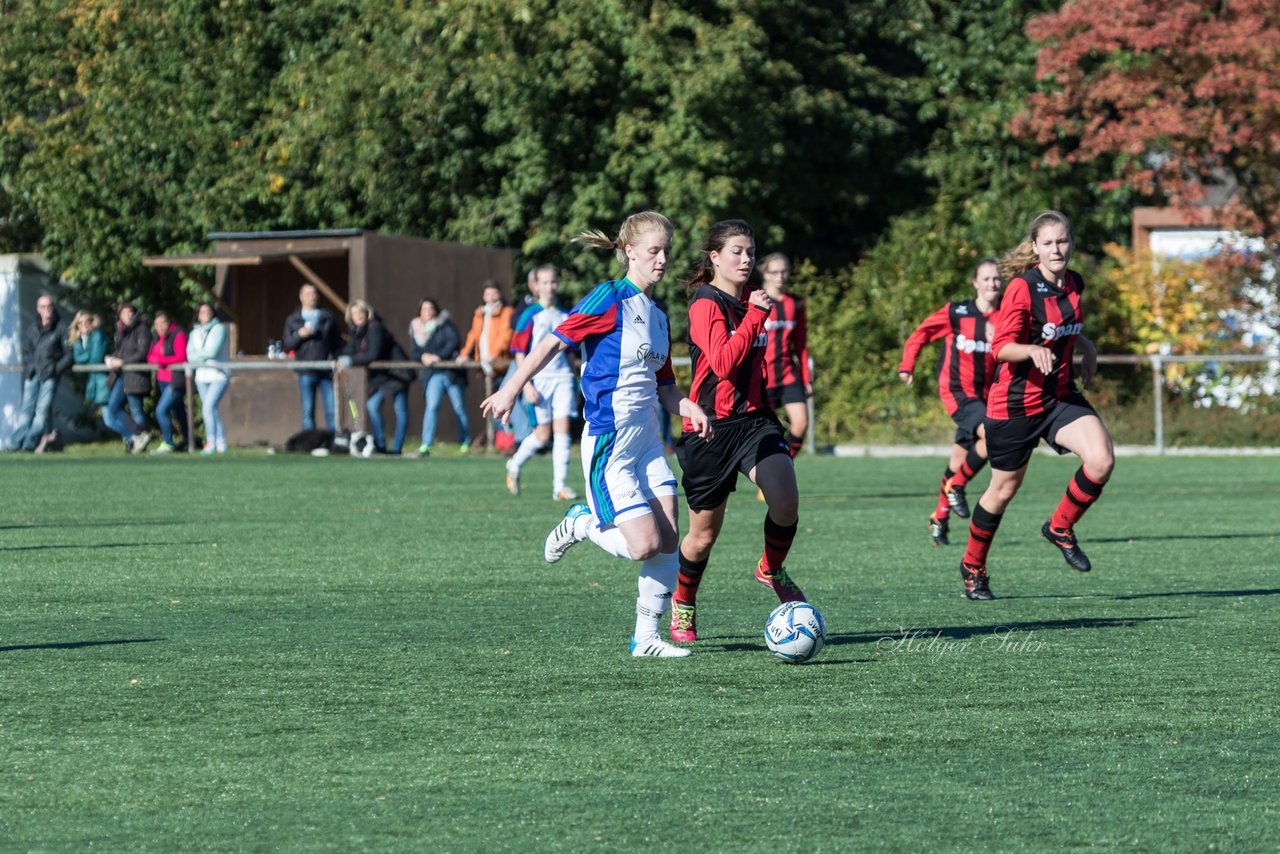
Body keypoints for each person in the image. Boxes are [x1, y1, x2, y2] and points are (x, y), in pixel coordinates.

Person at [480, 211, 712, 659]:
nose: (662, 259)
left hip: (647, 439)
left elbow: (664, 387)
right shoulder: (608, 297)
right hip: (611, 439)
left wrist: (687, 406)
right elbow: (553, 342)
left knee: (668, 541)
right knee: (643, 544)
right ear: (629, 252)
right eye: (653, 251)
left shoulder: (659, 316)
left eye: (667, 250)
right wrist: (510, 388)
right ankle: (582, 523)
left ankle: (645, 639)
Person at [958, 211, 1116, 600]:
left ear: (1071, 243)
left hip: (1058, 396)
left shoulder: (1076, 283)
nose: (1056, 249)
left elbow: (1064, 328)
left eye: (1062, 241)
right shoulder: (1022, 288)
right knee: (1002, 490)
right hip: (1014, 404)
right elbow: (1001, 348)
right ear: (1035, 248)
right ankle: (973, 568)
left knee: (1101, 460)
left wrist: (1085, 345)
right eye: (1048, 243)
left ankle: (1060, 526)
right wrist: (1030, 350)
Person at [668, 220, 808, 645]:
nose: (747, 260)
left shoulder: (753, 299)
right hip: (709, 429)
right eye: (737, 252)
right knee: (702, 536)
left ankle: (770, 568)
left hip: (755, 421)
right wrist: (755, 317)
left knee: (785, 502)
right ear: (715, 258)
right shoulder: (704, 304)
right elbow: (725, 363)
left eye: (751, 252)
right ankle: (684, 600)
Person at [898, 258, 1004, 547]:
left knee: (959, 460)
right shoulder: (957, 312)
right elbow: (922, 333)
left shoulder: (1007, 314)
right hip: (958, 391)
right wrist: (908, 364)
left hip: (988, 397)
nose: (992, 283)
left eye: (997, 278)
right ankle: (957, 487)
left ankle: (939, 517)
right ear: (975, 282)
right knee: (992, 434)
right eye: (986, 278)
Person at [504, 263, 580, 500]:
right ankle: (514, 464)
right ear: (536, 285)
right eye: (544, 282)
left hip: (563, 378)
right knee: (543, 435)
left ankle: (560, 487)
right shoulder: (529, 315)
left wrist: (575, 378)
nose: (549, 286)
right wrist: (526, 384)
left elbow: (568, 352)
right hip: (539, 380)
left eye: (553, 281)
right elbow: (518, 351)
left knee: (562, 430)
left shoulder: (565, 314)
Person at [340, 299, 411, 455]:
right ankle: (380, 446)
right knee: (373, 406)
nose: (358, 316)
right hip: (383, 377)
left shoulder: (375, 328)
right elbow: (348, 351)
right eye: (354, 313)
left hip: (398, 373)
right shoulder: (356, 331)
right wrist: (339, 359)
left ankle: (395, 448)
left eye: (361, 312)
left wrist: (350, 361)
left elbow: (373, 354)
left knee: (396, 409)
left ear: (367, 313)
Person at [760, 253, 812, 458]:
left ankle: (784, 468)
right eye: (774, 272)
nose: (780, 276)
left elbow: (801, 346)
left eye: (784, 271)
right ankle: (769, 477)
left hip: (789, 374)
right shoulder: (755, 300)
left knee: (801, 423)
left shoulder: (796, 304)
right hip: (764, 378)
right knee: (769, 432)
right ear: (765, 274)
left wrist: (807, 379)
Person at [5, 295, 71, 452]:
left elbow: (69, 353)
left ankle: (29, 443)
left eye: (50, 306)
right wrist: (30, 367)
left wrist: (55, 369)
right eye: (43, 306)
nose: (47, 309)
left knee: (41, 412)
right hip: (33, 374)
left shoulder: (61, 327)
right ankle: (15, 444)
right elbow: (27, 351)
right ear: (38, 309)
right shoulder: (32, 328)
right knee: (25, 413)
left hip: (49, 375)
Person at [409, 298, 469, 455]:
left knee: (459, 407)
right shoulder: (416, 330)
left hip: (451, 373)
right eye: (424, 309)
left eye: (430, 308)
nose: (427, 312)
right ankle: (426, 445)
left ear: (435, 310)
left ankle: (465, 442)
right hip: (433, 374)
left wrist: (438, 357)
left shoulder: (446, 325)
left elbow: (453, 343)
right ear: (419, 312)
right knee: (432, 407)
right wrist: (423, 357)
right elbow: (415, 352)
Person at [282, 283, 342, 431]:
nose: (313, 296)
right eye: (309, 294)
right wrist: (299, 335)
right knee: (307, 411)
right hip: (306, 371)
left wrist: (336, 360)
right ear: (301, 297)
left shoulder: (327, 317)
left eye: (315, 293)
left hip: (326, 370)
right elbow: (288, 344)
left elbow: (337, 343)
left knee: (331, 410)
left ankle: (334, 443)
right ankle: (309, 444)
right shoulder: (293, 319)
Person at [102, 302, 152, 453]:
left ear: (135, 313)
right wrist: (112, 358)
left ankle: (140, 437)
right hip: (123, 374)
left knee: (136, 410)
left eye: (130, 312)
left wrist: (122, 362)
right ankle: (138, 436)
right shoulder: (123, 331)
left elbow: (142, 353)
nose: (127, 315)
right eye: (124, 313)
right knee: (113, 408)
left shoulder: (142, 329)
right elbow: (123, 352)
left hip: (136, 375)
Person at [187, 302, 230, 454]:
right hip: (201, 376)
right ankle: (221, 442)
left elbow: (212, 352)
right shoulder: (194, 333)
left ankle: (211, 442)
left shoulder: (219, 329)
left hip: (218, 375)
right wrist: (200, 357)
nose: (205, 314)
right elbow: (189, 355)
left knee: (208, 408)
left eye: (208, 311)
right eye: (202, 311)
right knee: (211, 410)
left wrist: (198, 356)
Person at [147, 310, 188, 454]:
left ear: (169, 322)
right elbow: (150, 357)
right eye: (157, 323)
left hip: (175, 380)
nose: (160, 326)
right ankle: (189, 441)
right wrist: (157, 361)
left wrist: (161, 361)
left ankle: (168, 442)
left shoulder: (178, 334)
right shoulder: (156, 338)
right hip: (162, 380)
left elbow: (181, 356)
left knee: (161, 410)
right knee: (179, 412)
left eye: (163, 322)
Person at [70, 311, 111, 416]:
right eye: (80, 322)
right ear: (77, 325)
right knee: (109, 417)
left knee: (111, 416)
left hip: (104, 380)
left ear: (92, 322)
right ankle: (134, 431)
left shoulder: (97, 334)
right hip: (94, 382)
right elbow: (77, 359)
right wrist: (90, 353)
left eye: (87, 321)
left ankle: (134, 431)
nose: (84, 325)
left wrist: (87, 356)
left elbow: (96, 359)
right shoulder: (78, 340)